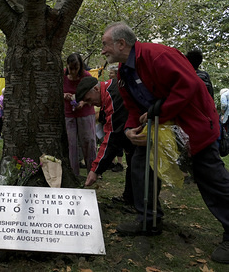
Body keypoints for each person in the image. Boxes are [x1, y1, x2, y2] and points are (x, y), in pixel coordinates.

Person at [101, 21, 229, 264]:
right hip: (159, 130)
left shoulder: (158, 55)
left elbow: (189, 85)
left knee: (211, 178)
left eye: (105, 45)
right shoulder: (123, 73)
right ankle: (148, 220)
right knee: (140, 165)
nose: (103, 50)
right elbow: (131, 108)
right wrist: (130, 130)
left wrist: (158, 111)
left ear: (121, 43)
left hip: (194, 127)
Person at [75, 76, 134, 205]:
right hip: (131, 137)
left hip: (141, 134)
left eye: (89, 100)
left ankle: (143, 209)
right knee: (133, 165)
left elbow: (112, 138)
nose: (90, 104)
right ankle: (130, 198)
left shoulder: (113, 97)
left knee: (138, 166)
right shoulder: (109, 90)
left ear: (96, 89)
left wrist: (96, 170)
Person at [63, 53, 96, 177]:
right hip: (69, 114)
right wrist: (64, 95)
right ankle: (73, 174)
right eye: (71, 68)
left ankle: (92, 172)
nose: (73, 72)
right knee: (71, 144)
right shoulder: (63, 75)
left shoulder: (86, 76)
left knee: (88, 141)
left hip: (85, 113)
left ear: (80, 67)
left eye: (76, 69)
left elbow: (93, 95)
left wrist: (83, 102)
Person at [107, 64, 124, 172]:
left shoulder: (121, 85)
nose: (109, 75)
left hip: (120, 116)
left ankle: (120, 163)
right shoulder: (109, 86)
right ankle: (111, 161)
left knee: (119, 141)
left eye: (111, 73)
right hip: (111, 116)